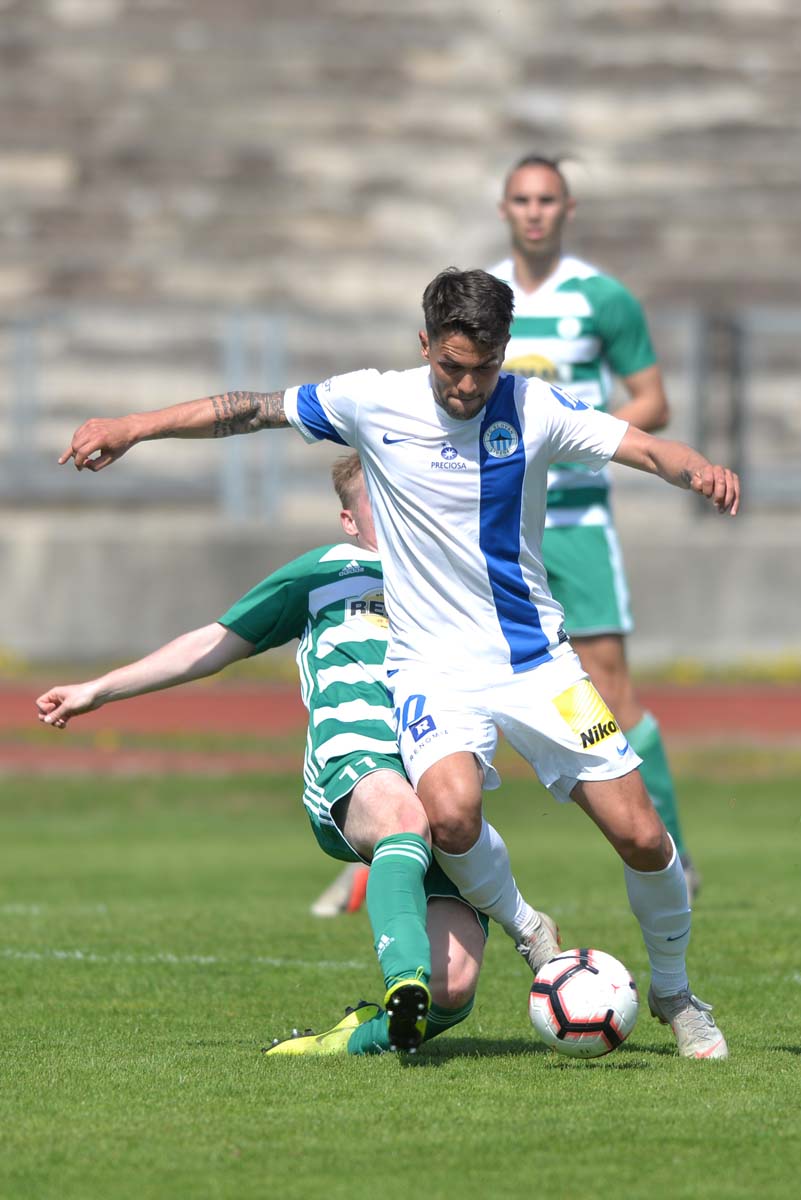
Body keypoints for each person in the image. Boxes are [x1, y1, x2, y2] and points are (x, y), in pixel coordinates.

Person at [60, 267, 739, 1058]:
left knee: (642, 837)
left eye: (484, 368)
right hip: (430, 670)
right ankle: (528, 928)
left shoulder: (534, 407)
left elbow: (644, 446)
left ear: (504, 352)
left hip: (538, 665)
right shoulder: (372, 400)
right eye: (452, 367)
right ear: (424, 345)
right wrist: (134, 426)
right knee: (448, 814)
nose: (467, 386)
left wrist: (696, 471)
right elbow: (250, 409)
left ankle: (674, 993)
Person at [38, 450, 559, 1056]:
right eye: (381, 498)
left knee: (455, 987)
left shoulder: (454, 580)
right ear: (349, 521)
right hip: (354, 761)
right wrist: (98, 689)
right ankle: (403, 979)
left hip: (439, 775)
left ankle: (350, 1040)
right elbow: (211, 642)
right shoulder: (328, 571)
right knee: (403, 819)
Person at [489, 153, 699, 898]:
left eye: (547, 199)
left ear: (567, 209)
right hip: (494, 528)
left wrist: (575, 434)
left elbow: (653, 401)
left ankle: (669, 852)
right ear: (504, 209)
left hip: (576, 524)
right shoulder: (482, 297)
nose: (534, 212)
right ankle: (407, 849)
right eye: (522, 200)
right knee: (450, 678)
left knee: (608, 691)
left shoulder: (600, 299)